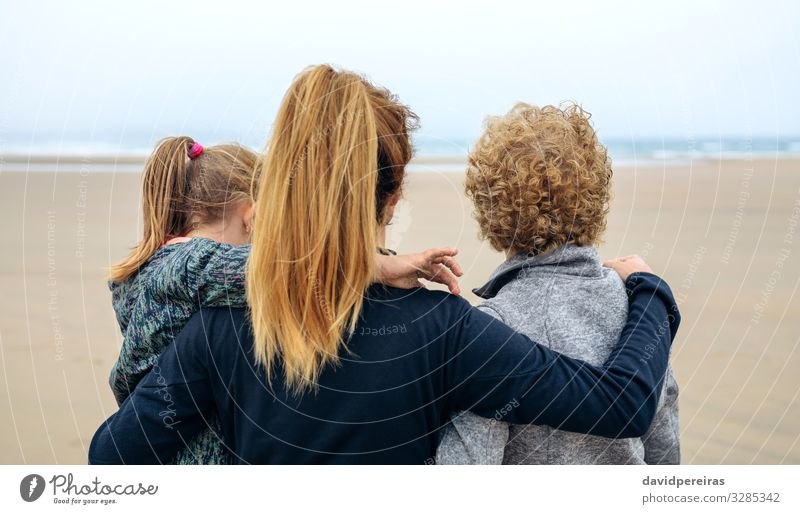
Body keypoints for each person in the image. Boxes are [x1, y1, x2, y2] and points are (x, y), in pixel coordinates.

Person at [89, 65, 680, 465]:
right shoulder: (445, 329)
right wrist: (648, 292)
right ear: (391, 197)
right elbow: (620, 403)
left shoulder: (218, 334)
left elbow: (109, 459)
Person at [106, 136, 464, 464]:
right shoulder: (186, 265)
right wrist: (380, 265)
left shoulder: (171, 273)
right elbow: (286, 273)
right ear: (251, 216)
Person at [436, 103, 680, 465]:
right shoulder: (640, 309)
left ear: (491, 209)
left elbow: (469, 463)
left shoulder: (492, 324)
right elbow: (664, 445)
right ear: (595, 200)